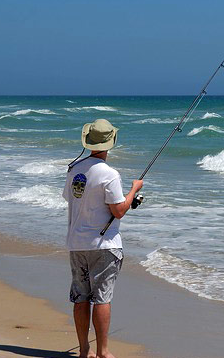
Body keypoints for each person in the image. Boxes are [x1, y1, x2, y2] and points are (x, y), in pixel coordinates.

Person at [63, 119, 143, 358]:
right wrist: (134, 190)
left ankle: (84, 350)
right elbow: (118, 210)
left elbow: (71, 198)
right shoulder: (109, 174)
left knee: (80, 297)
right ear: (112, 142)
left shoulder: (74, 169)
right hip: (104, 246)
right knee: (101, 299)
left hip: (77, 244)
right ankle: (103, 352)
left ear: (88, 141)